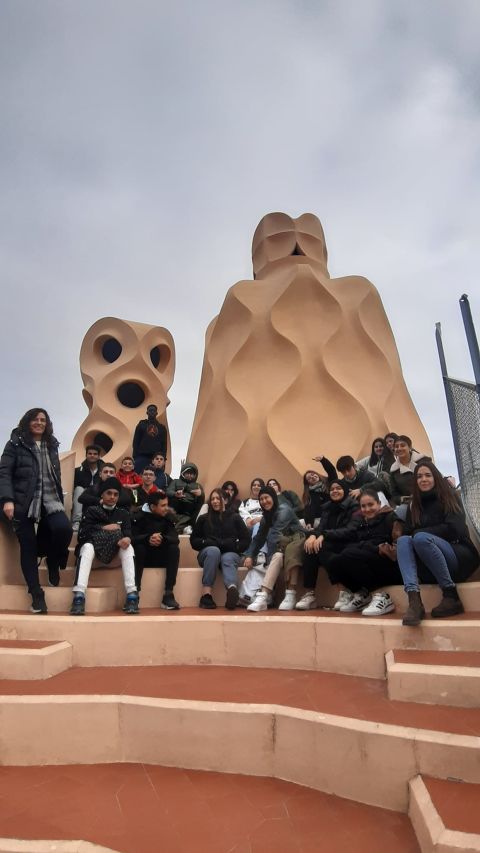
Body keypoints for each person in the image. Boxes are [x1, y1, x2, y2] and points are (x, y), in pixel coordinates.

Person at [0, 408, 73, 612]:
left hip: (49, 498)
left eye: (43, 420)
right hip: (23, 500)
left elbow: (55, 474)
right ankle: (36, 594)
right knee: (28, 547)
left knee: (64, 530)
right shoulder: (15, 443)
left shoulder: (52, 444)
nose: (39, 423)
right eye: (35, 419)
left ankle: (52, 559)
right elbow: (4, 472)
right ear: (27, 421)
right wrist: (7, 500)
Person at [396, 461, 479, 625]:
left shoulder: (449, 497)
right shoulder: (414, 506)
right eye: (419, 476)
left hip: (457, 557)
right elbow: (407, 534)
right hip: (428, 564)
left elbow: (457, 530)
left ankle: (451, 595)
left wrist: (422, 533)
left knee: (419, 538)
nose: (423, 479)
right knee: (403, 540)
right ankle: (414, 602)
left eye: (428, 475)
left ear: (436, 478)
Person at [326, 489, 402, 615]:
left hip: (390, 566)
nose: (367, 509)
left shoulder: (391, 518)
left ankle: (382, 597)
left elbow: (397, 549)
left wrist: (373, 547)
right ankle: (362, 594)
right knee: (334, 561)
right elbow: (354, 543)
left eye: (371, 505)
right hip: (368, 563)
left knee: (350, 554)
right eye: (363, 506)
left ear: (378, 503)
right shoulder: (361, 522)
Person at [71, 477, 138, 615]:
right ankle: (79, 596)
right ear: (102, 494)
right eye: (109, 493)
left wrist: (127, 539)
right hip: (94, 556)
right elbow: (82, 536)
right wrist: (104, 528)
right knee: (87, 547)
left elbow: (128, 533)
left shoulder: (123, 513)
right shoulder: (91, 511)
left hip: (113, 556)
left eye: (115, 494)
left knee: (129, 548)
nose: (112, 497)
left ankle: (132, 595)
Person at [296, 480, 359, 610]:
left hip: (348, 543)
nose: (335, 491)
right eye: (332, 489)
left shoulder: (354, 506)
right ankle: (310, 594)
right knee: (309, 547)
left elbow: (350, 530)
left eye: (338, 488)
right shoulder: (327, 507)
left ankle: (343, 592)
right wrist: (313, 535)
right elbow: (321, 527)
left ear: (345, 490)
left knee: (321, 548)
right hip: (330, 542)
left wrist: (323, 535)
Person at [244, 486, 306, 611]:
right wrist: (249, 555)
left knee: (289, 552)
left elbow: (274, 535)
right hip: (282, 543)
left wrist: (269, 559)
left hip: (297, 540)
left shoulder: (284, 510)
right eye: (261, 499)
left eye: (266, 497)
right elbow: (259, 538)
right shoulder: (266, 517)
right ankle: (263, 596)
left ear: (273, 497)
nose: (264, 501)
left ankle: (290, 594)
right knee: (278, 556)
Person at [190, 488, 250, 609]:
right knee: (214, 551)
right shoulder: (204, 518)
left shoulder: (235, 517)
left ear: (226, 500)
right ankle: (206, 595)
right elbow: (194, 541)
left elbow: (246, 539)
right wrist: (206, 542)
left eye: (218, 498)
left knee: (227, 557)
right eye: (212, 499)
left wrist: (236, 547)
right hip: (208, 554)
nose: (215, 501)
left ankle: (232, 590)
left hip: (230, 553)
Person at [131, 490, 180, 609]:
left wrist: (162, 539)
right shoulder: (138, 516)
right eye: (163, 505)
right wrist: (148, 538)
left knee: (174, 549)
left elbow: (175, 538)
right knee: (139, 548)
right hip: (143, 558)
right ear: (153, 507)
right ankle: (134, 593)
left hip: (161, 557)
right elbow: (131, 538)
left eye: (167, 504)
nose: (166, 508)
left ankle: (168, 594)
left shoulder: (169, 517)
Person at [71, 444, 104, 531]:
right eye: (90, 453)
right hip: (84, 495)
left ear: (99, 456)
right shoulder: (78, 471)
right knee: (78, 489)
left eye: (95, 454)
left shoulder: (104, 470)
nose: (92, 455)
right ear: (86, 455)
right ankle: (76, 521)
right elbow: (75, 486)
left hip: (98, 495)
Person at [167, 462, 205, 533]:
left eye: (192, 474)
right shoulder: (175, 482)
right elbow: (168, 491)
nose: (190, 475)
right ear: (183, 473)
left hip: (189, 511)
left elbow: (201, 502)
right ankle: (182, 528)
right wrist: (175, 494)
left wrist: (201, 495)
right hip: (175, 507)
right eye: (187, 473)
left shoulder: (198, 486)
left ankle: (184, 528)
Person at [389, 435, 425, 506]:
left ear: (410, 447)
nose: (399, 448)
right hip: (408, 504)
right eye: (396, 446)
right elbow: (394, 494)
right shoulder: (394, 470)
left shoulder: (423, 461)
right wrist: (401, 499)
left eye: (402, 445)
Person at [302, 455, 336, 528]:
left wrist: (323, 460)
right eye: (309, 478)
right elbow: (309, 509)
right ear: (308, 483)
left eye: (312, 474)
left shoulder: (328, 482)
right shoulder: (310, 494)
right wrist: (309, 523)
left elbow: (332, 471)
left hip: (337, 512)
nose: (312, 477)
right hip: (323, 518)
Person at [132, 404, 167, 474]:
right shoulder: (141, 425)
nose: (152, 412)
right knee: (137, 476)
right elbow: (136, 441)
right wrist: (135, 456)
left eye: (154, 410)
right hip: (142, 456)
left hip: (156, 458)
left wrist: (163, 459)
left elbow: (164, 444)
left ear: (157, 413)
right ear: (147, 412)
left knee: (155, 478)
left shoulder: (161, 428)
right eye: (150, 410)